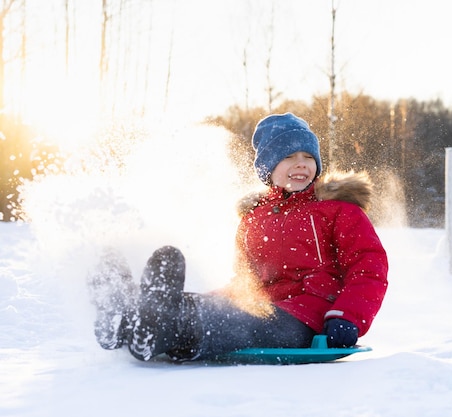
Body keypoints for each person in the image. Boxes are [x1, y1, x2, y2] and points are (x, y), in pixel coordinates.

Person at [87, 112, 389, 362]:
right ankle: (128, 316)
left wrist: (347, 316)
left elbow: (368, 266)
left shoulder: (337, 212)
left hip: (308, 317)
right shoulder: (255, 218)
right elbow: (245, 281)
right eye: (289, 156)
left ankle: (162, 325)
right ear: (269, 168)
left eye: (308, 156)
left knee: (246, 323)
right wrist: (212, 300)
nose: (301, 163)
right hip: (260, 305)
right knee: (219, 310)